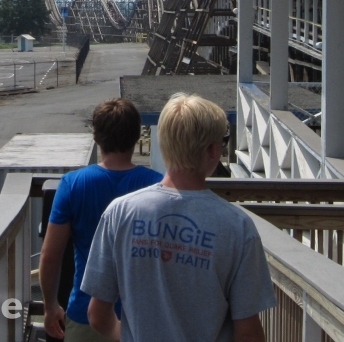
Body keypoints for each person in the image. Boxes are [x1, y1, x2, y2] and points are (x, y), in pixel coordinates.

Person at [81, 93, 274, 342]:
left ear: (163, 144)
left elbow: (97, 315)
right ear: (212, 150)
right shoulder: (237, 226)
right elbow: (248, 333)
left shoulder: (120, 212)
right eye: (223, 141)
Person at [40, 98, 162, 341]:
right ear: (136, 136)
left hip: (86, 314)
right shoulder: (156, 185)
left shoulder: (72, 184)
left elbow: (50, 256)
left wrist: (50, 305)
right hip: (142, 319)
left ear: (96, 136)